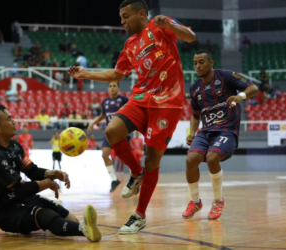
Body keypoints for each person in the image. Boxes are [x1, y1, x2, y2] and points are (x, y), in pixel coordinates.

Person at [68, 0, 196, 234]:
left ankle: (139, 215)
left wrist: (170, 24)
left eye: (126, 16)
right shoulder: (130, 44)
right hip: (141, 98)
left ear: (141, 14)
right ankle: (136, 173)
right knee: (111, 131)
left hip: (168, 102)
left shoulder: (161, 26)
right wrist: (86, 74)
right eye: (121, 17)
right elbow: (117, 74)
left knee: (152, 159)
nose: (122, 21)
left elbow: (190, 36)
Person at [0, 105, 101, 241]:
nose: (14, 122)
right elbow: (20, 189)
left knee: (68, 217)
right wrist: (47, 183)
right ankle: (83, 230)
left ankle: (80, 226)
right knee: (44, 215)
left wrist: (53, 173)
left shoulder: (14, 146)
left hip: (24, 200)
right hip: (5, 211)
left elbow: (32, 170)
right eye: (9, 119)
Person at [182, 50, 258, 220]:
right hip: (206, 131)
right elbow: (195, 115)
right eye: (195, 63)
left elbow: (253, 87)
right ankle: (195, 202)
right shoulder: (194, 88)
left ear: (211, 63)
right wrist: (192, 133)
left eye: (201, 62)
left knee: (212, 157)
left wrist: (240, 96)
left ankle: (218, 201)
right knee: (190, 160)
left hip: (227, 130)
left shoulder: (226, 76)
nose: (197, 66)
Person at [87, 82, 129, 193]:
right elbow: (103, 115)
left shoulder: (124, 100)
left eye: (114, 86)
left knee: (127, 158)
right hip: (108, 133)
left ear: (119, 88)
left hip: (121, 132)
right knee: (104, 155)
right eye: (110, 86)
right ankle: (114, 180)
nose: (112, 88)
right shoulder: (105, 101)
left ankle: (135, 179)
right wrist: (92, 123)